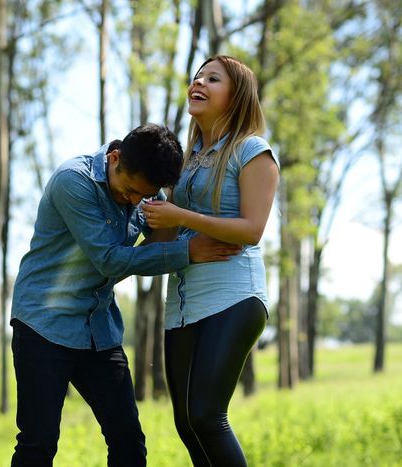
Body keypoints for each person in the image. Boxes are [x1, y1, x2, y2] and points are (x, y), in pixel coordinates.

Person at [10, 123, 242, 467]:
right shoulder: (73, 181)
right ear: (115, 158)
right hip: (44, 326)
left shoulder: (145, 187)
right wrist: (188, 251)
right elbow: (109, 260)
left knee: (129, 442)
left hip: (98, 331)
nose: (135, 202)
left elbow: (163, 229)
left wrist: (190, 233)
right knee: (38, 444)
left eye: (143, 195)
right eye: (129, 191)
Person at [142, 56, 280, 466]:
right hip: (183, 306)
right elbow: (166, 236)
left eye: (212, 78)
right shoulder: (182, 166)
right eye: (197, 76)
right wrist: (148, 211)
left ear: (236, 97)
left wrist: (180, 215)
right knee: (187, 423)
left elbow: (252, 229)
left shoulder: (252, 152)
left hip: (234, 297)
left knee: (206, 414)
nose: (198, 81)